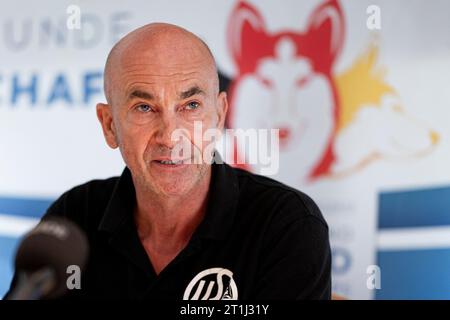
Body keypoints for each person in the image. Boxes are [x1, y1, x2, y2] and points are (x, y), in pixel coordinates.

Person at [5, 23, 331, 300]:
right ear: (108, 125)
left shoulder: (285, 224)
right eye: (144, 108)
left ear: (219, 116)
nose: (171, 135)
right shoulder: (72, 219)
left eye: (190, 105)